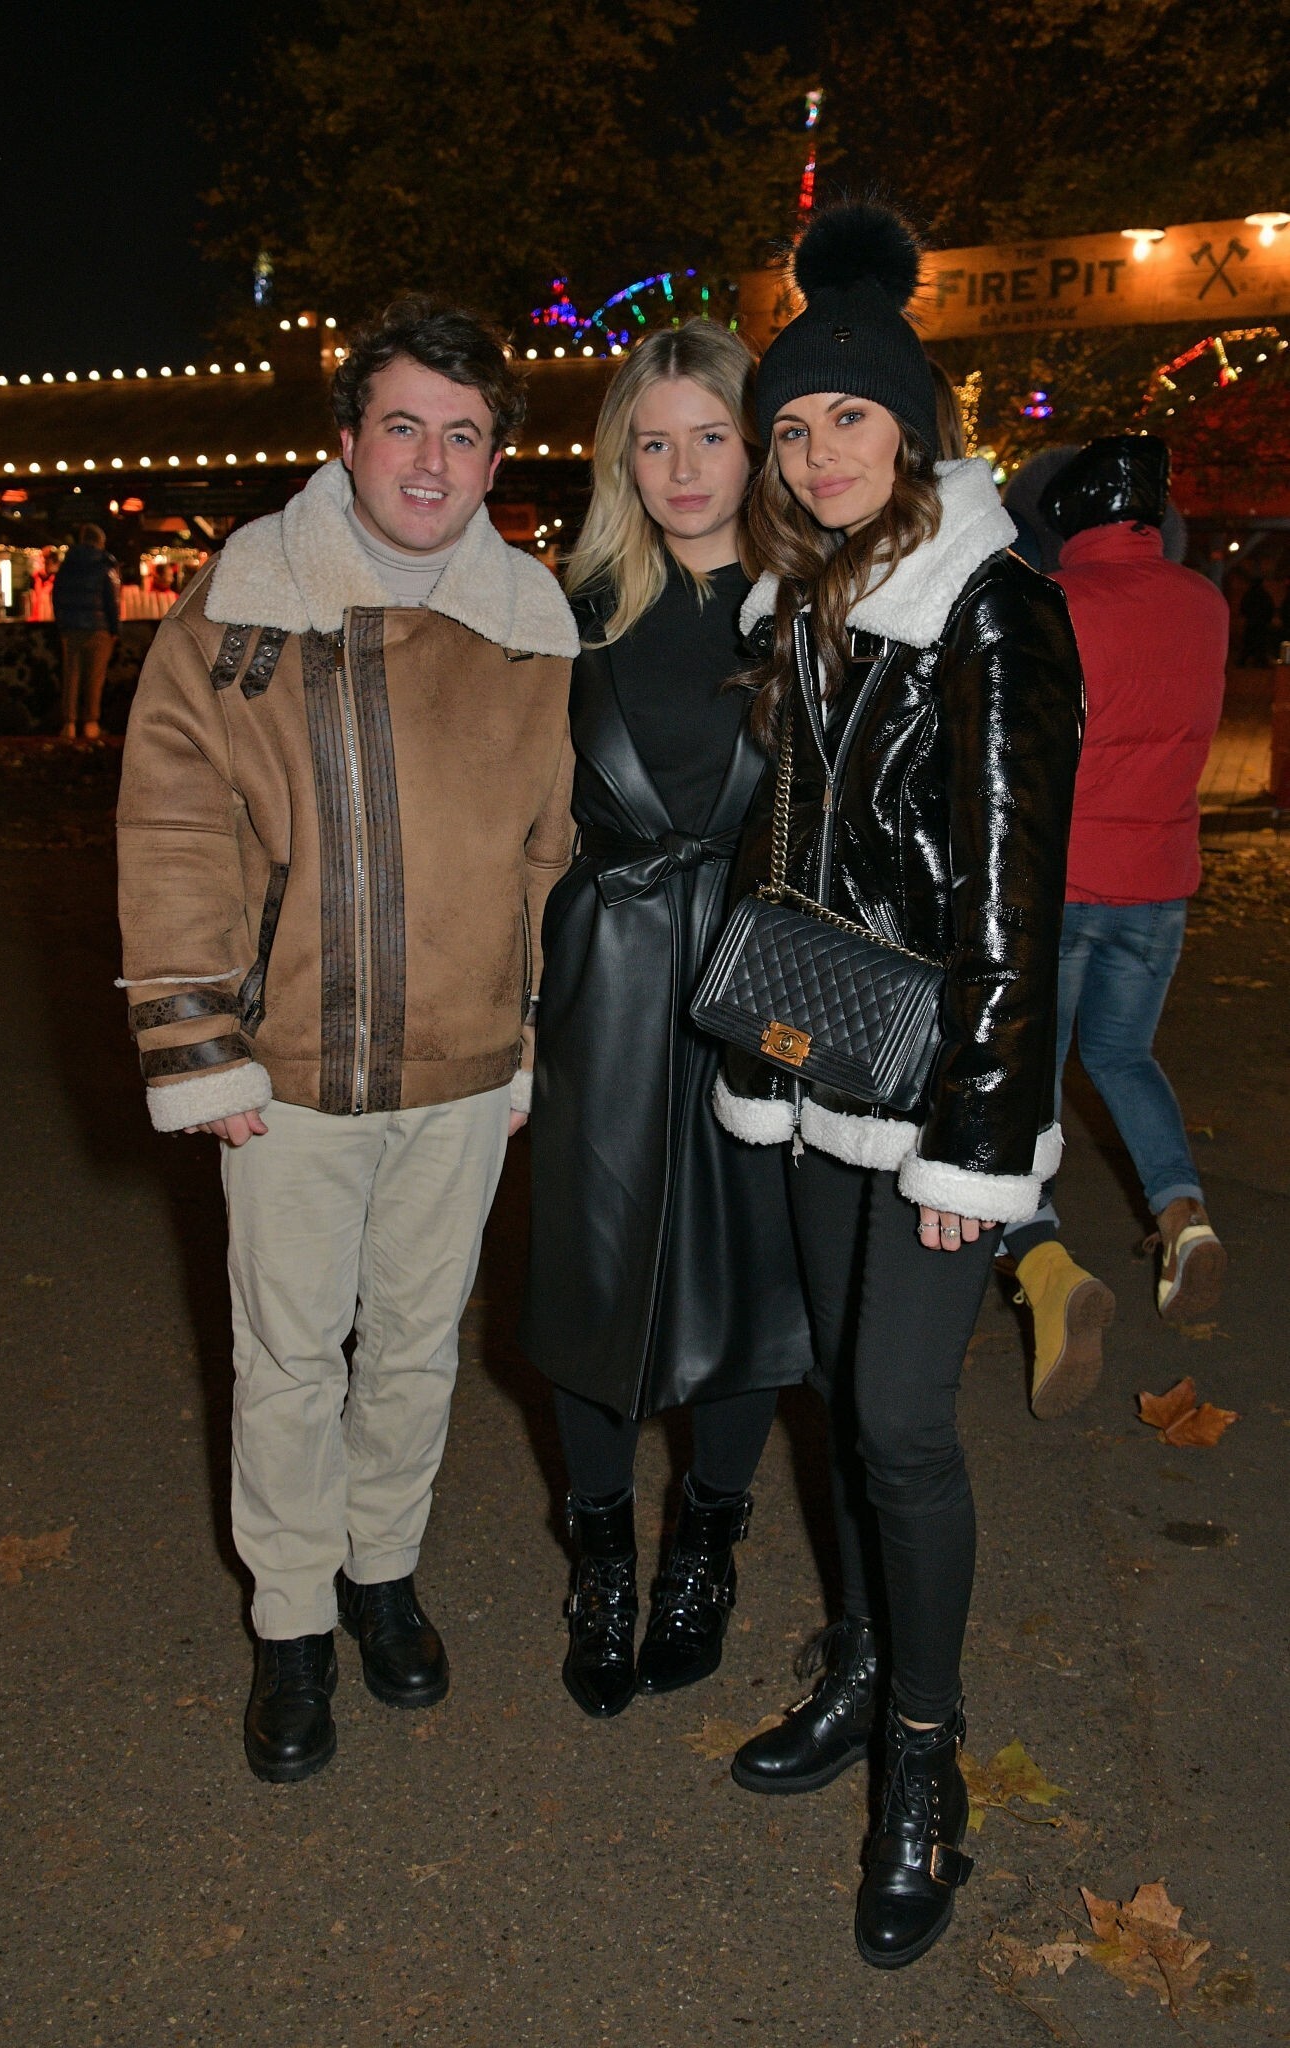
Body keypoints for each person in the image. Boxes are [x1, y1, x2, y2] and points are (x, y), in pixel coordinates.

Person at [117, 295, 577, 1784]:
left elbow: (550, 852)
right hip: (290, 1068)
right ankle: (294, 1619)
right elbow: (176, 823)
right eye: (404, 426)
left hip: (463, 1068)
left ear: (495, 458)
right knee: (288, 1357)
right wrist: (199, 1040)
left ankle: (384, 1573)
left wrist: (526, 1037)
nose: (431, 462)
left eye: (463, 435)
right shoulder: (241, 602)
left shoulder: (533, 623)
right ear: (347, 438)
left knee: (419, 1348)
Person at [711, 202, 1083, 1967]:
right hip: (816, 1062)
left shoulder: (992, 608)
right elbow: (793, 844)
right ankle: (858, 1664)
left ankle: (923, 1767)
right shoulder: (805, 600)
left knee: (904, 1422)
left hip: (936, 1088)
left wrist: (976, 1147)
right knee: (832, 1399)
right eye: (791, 425)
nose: (816, 451)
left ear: (915, 424)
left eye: (847, 416)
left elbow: (1016, 902)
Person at [522, 325, 813, 1720]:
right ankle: (600, 1560)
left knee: (756, 1278)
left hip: (764, 981)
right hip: (609, 976)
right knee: (590, 1275)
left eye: (711, 437)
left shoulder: (815, 605)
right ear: (620, 459)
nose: (685, 468)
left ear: (755, 449)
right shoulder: (563, 611)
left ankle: (704, 1545)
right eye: (656, 441)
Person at [1001, 436, 1228, 1403]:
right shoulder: (1205, 603)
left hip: (1060, 885)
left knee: (1032, 1071)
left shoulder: (1051, 604)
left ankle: (1045, 1252)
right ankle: (1184, 1219)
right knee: (1125, 1056)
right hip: (1160, 882)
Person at [53, 523, 120, 738]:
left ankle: (69, 724)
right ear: (100, 542)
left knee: (71, 675)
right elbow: (112, 601)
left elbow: (56, 596)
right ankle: (91, 722)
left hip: (71, 628)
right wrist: (114, 629)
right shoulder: (105, 565)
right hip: (98, 628)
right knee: (94, 677)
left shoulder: (67, 565)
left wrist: (62, 622)